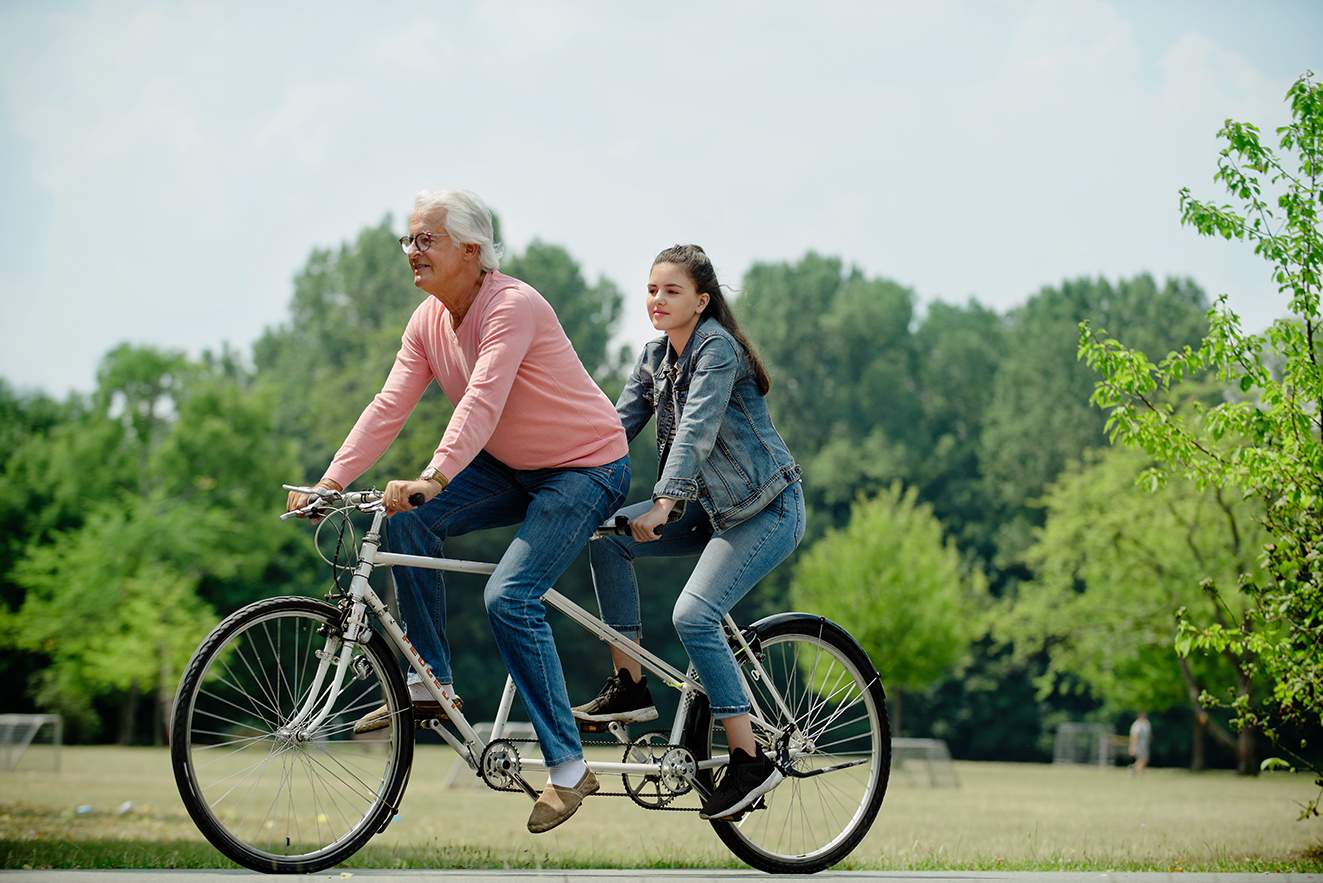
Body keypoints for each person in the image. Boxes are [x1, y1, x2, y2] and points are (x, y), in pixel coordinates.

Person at [286, 189, 629, 834]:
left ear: (470, 251)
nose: (411, 252)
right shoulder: (427, 322)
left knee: (510, 597)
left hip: (585, 467)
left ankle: (567, 768)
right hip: (512, 467)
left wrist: (434, 476)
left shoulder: (512, 306)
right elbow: (389, 406)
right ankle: (430, 685)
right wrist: (330, 483)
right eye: (407, 241)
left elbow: (482, 401)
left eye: (426, 240)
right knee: (409, 522)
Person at [572, 244, 805, 821]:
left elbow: (697, 427)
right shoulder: (654, 357)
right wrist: (554, 482)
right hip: (710, 506)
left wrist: (665, 501)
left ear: (701, 302)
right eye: (652, 289)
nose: (657, 300)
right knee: (607, 534)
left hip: (766, 508)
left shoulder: (717, 348)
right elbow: (609, 430)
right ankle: (629, 685)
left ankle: (749, 759)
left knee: (693, 616)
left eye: (671, 291)